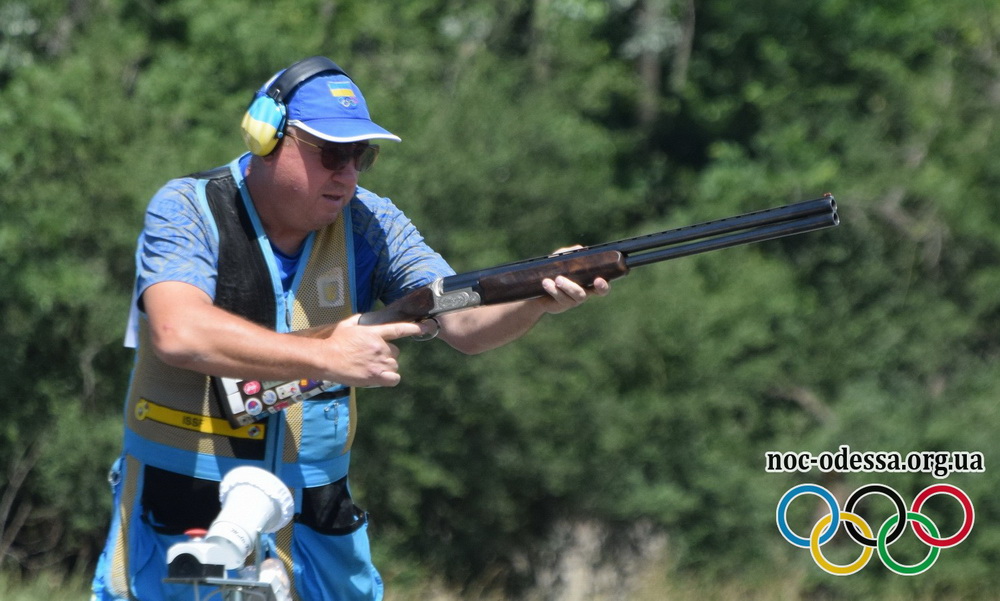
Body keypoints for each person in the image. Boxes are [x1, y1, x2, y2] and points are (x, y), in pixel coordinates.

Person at [90, 56, 609, 601]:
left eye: (361, 155)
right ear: (267, 135)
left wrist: (534, 297)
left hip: (317, 513)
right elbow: (178, 332)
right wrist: (329, 355)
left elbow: (463, 321)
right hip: (184, 501)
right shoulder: (187, 208)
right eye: (332, 153)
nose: (349, 173)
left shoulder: (371, 219)